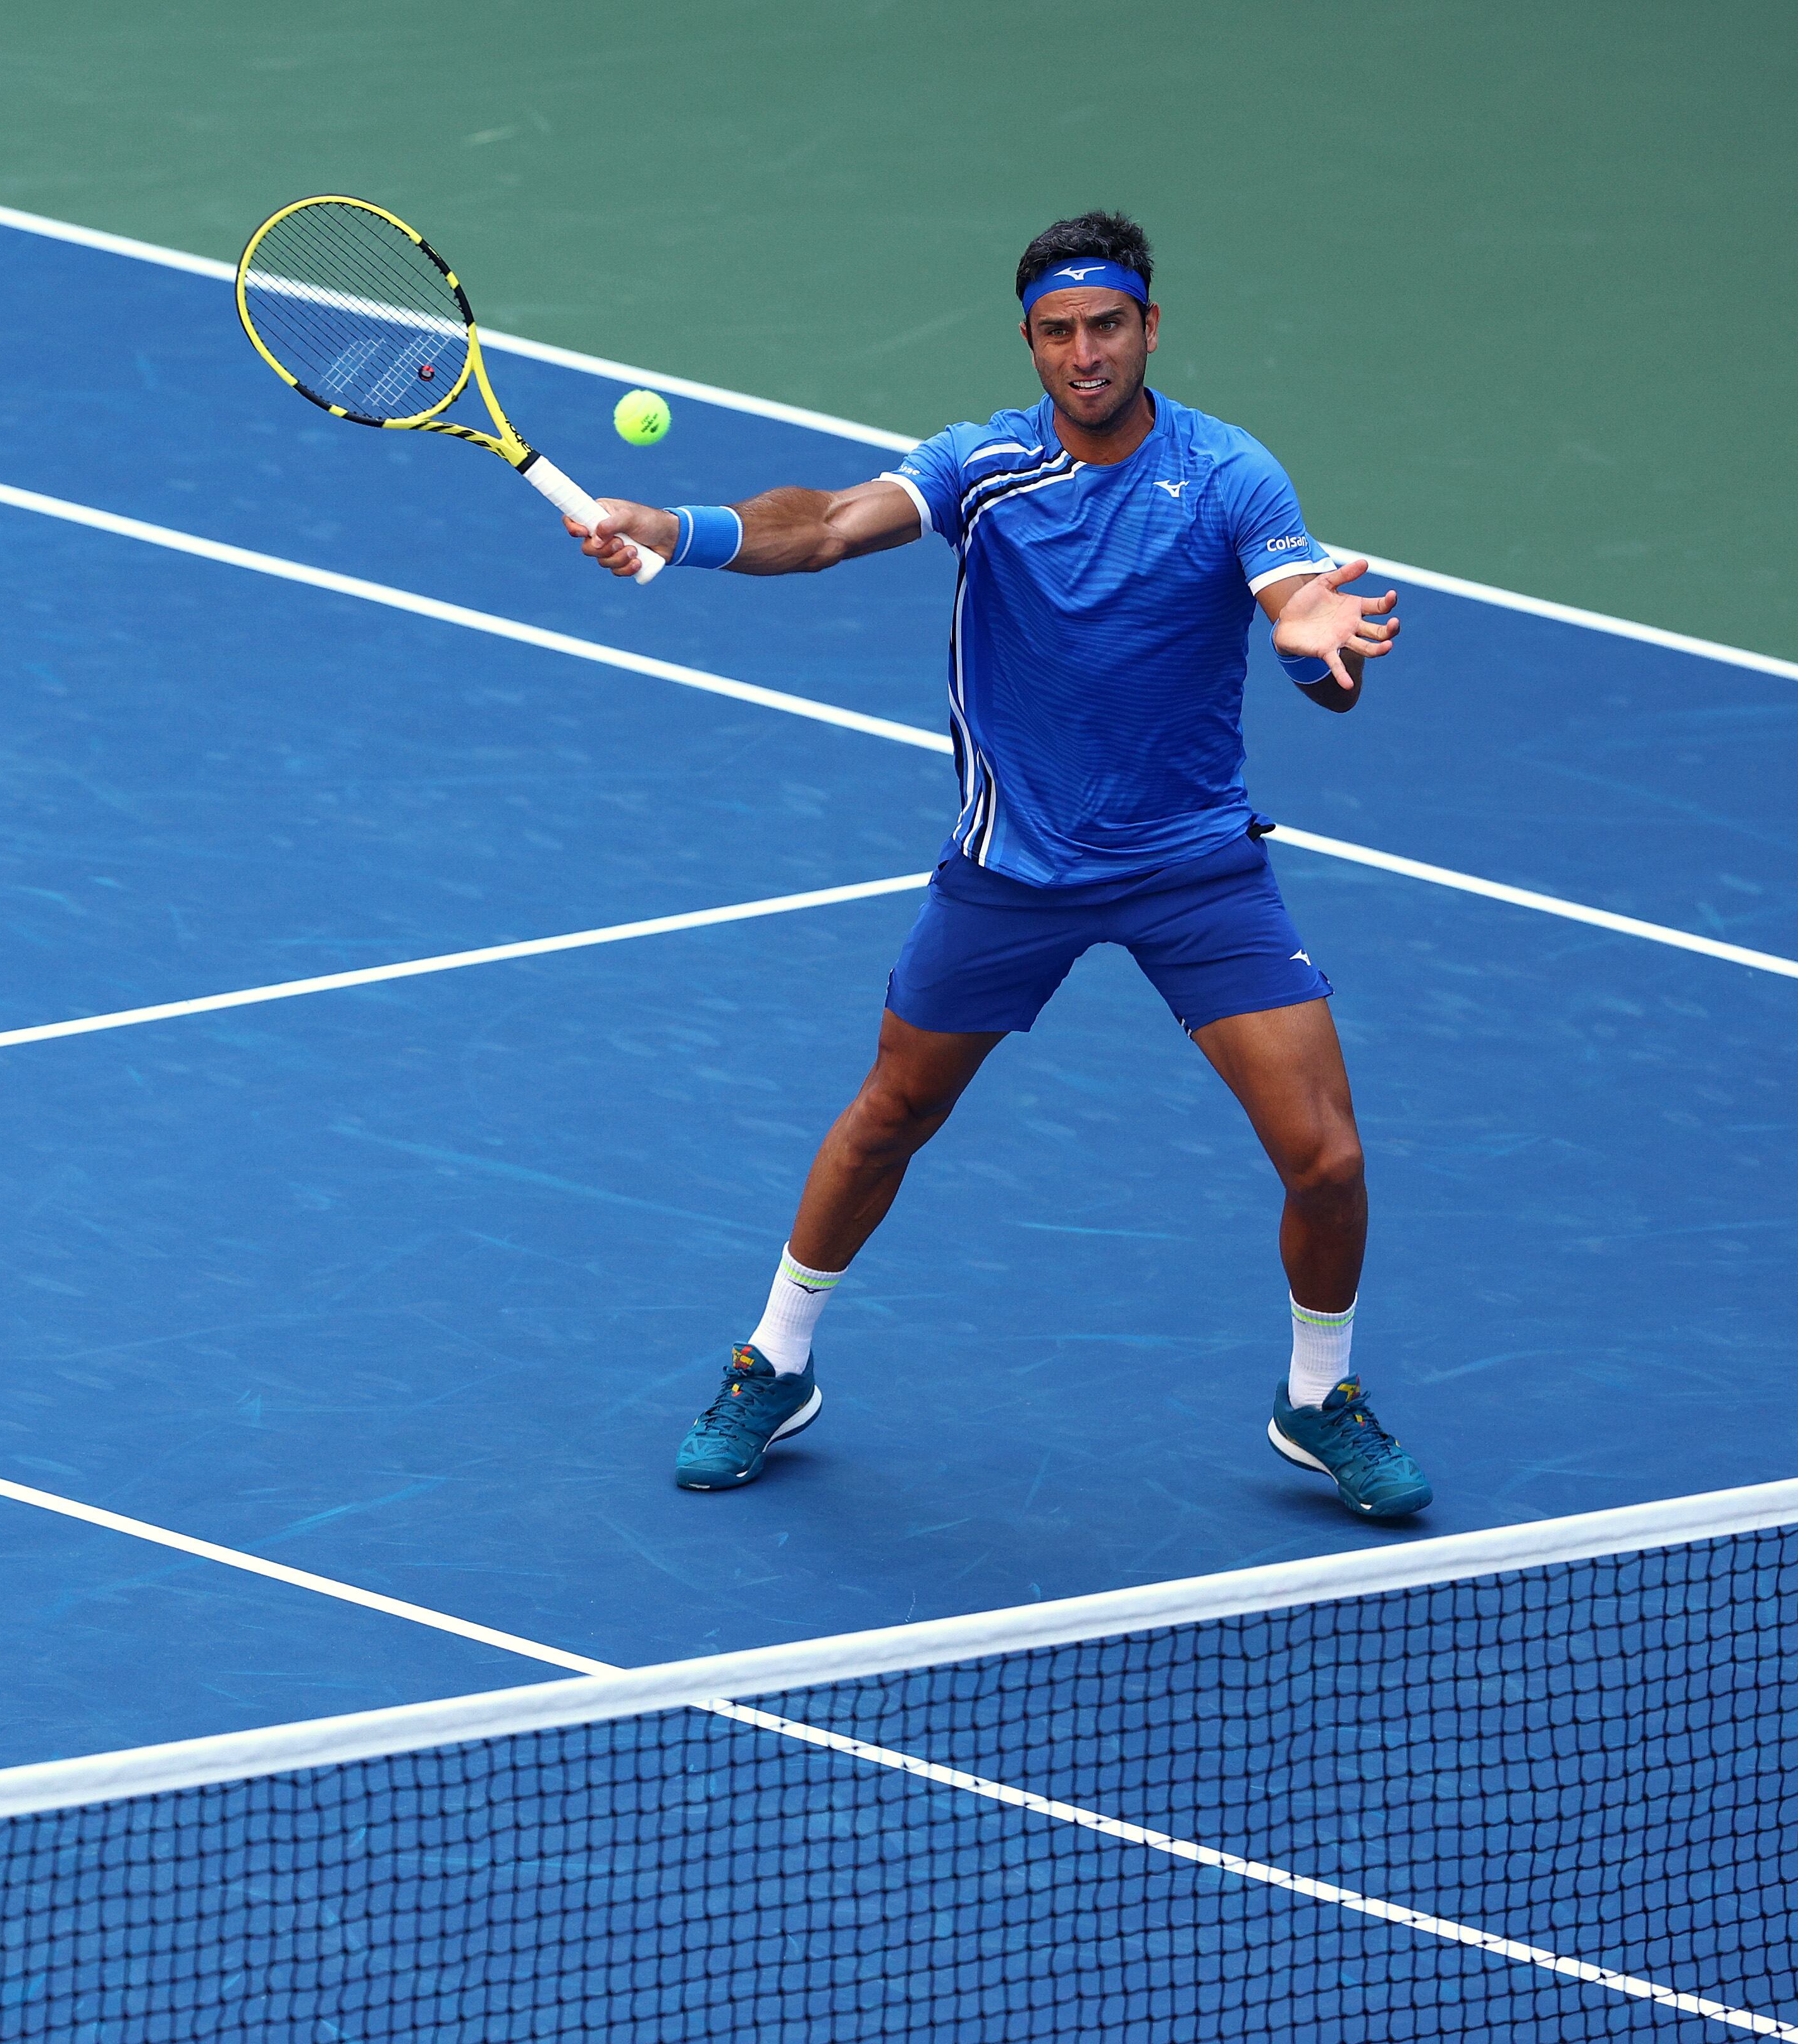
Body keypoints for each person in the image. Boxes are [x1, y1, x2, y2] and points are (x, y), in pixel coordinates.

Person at [572, 211, 1433, 1522]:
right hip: (1011, 866)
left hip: (1193, 866)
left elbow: (1306, 632)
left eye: (1107, 326)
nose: (1084, 353)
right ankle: (776, 1362)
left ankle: (1321, 1398)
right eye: (1057, 331)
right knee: (891, 1114)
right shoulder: (981, 467)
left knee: (1326, 1158)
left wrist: (1318, 642)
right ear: (1030, 341)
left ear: (1151, 327)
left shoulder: (1232, 476)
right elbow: (824, 525)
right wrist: (679, 526)